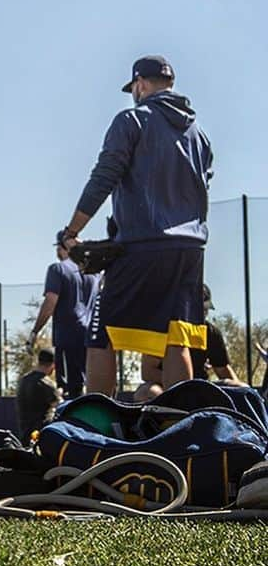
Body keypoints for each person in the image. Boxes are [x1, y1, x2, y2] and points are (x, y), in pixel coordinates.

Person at [58, 56, 213, 394]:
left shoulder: (131, 119)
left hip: (144, 245)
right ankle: (182, 428)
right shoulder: (198, 134)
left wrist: (71, 232)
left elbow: (104, 178)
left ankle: (95, 429)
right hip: (190, 250)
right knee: (176, 341)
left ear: (140, 84)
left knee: (101, 335)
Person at [136, 285, 244, 399]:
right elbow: (148, 372)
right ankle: (166, 413)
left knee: (241, 389)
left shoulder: (211, 333)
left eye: (205, 310)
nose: (203, 314)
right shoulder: (163, 329)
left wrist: (241, 390)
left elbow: (223, 369)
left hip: (201, 386)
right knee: (148, 392)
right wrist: (183, 383)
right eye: (199, 309)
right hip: (166, 387)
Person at [27, 244, 99, 398]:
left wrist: (35, 330)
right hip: (91, 336)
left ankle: (72, 421)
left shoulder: (57, 269)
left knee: (68, 389)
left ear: (63, 248)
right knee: (89, 384)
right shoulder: (94, 274)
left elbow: (50, 302)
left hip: (68, 335)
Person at [16, 348, 62, 442]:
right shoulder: (46, 382)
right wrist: (59, 393)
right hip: (41, 434)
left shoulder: (23, 380)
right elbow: (60, 405)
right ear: (53, 365)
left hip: (24, 432)